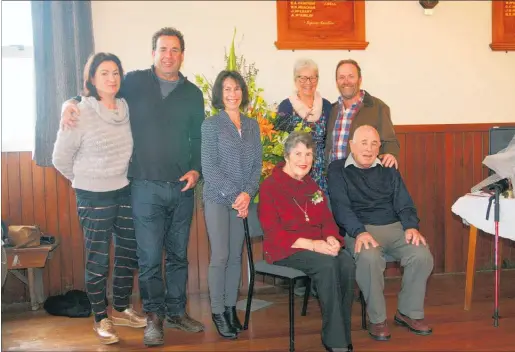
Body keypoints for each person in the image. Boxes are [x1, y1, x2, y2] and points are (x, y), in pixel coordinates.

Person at [59, 27, 205, 346]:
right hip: (143, 187)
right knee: (150, 257)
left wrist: (196, 169)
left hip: (182, 189)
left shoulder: (193, 93)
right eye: (163, 49)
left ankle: (177, 310)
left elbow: (198, 138)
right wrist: (68, 103)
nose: (169, 55)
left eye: (175, 50)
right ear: (153, 53)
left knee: (178, 256)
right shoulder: (135, 82)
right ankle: (154, 317)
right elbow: (98, 89)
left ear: (182, 54)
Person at [52, 52, 146, 344]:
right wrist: (83, 180)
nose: (111, 78)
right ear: (92, 79)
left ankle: (119, 308)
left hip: (124, 189)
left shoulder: (126, 108)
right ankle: (100, 317)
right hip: (92, 195)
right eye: (104, 73)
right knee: (99, 258)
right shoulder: (80, 111)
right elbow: (60, 158)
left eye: (116, 72)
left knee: (128, 252)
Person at [327, 125, 434, 342]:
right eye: (363, 143)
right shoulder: (337, 169)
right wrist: (359, 232)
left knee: (422, 254)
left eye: (374, 143)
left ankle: (408, 312)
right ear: (352, 145)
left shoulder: (388, 168)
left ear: (380, 147)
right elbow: (341, 208)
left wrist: (411, 226)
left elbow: (405, 203)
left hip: (394, 228)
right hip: (358, 229)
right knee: (369, 257)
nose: (368, 148)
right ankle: (377, 319)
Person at [258, 131, 355, 352]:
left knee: (347, 262)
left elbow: (327, 221)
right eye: (298, 154)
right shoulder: (270, 187)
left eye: (308, 154)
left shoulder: (312, 186)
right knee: (327, 264)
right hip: (285, 249)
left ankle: (341, 331)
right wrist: (313, 244)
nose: (304, 160)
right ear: (286, 156)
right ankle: (336, 340)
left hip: (316, 247)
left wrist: (332, 239)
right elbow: (273, 233)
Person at [201, 70, 262, 339]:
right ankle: (217, 311)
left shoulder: (252, 125)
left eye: (237, 88)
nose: (232, 94)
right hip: (217, 198)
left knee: (236, 257)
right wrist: (235, 196)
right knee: (221, 255)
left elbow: (257, 165)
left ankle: (229, 308)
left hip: (243, 202)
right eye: (227, 89)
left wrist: (247, 194)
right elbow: (209, 168)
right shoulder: (211, 125)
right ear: (219, 93)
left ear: (243, 93)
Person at [325, 59, 400, 170]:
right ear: (337, 82)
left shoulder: (378, 107)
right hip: (335, 180)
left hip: (363, 181)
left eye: (351, 76)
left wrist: (390, 153)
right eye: (341, 77)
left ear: (360, 80)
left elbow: (390, 142)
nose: (346, 81)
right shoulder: (331, 110)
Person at [275, 58, 333, 194]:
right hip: (295, 169)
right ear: (295, 80)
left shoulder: (326, 106)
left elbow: (330, 139)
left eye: (312, 78)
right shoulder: (286, 106)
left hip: (321, 171)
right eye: (303, 78)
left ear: (317, 80)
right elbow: (280, 142)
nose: (308, 83)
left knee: (319, 209)